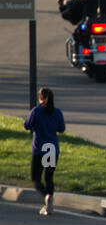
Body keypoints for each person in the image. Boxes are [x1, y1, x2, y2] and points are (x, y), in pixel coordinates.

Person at [23, 87, 65, 216]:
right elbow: (61, 129)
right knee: (49, 177)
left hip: (39, 149)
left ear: (40, 98)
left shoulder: (36, 111)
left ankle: (46, 196)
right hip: (52, 149)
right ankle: (49, 205)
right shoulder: (57, 112)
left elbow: (27, 125)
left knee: (36, 178)